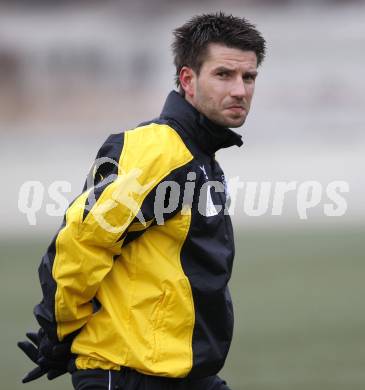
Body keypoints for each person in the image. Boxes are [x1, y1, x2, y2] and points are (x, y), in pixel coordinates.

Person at [18, 12, 266, 390]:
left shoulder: (197, 156)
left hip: (182, 376)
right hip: (126, 374)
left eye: (248, 77)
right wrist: (58, 333)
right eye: (223, 75)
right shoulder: (158, 151)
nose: (240, 90)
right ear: (187, 79)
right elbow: (81, 243)